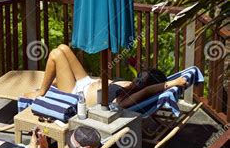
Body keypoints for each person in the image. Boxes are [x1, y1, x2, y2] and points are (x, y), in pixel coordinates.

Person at [23, 44, 188, 108]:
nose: (137, 79)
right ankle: (54, 84)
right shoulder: (131, 84)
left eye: (141, 79)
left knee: (55, 54)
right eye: (139, 76)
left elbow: (149, 90)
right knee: (63, 48)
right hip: (85, 82)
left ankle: (41, 92)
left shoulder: (130, 97)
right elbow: (141, 70)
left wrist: (175, 82)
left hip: (75, 94)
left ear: (147, 85)